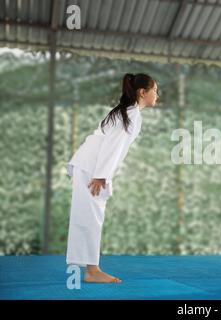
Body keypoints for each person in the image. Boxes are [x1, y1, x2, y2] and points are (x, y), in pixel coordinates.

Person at [66, 73, 158, 283]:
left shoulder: (126, 112)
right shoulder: (131, 114)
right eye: (155, 90)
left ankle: (90, 268)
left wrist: (101, 173)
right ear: (142, 92)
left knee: (87, 215)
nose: (157, 95)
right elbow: (112, 147)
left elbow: (111, 146)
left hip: (88, 164)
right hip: (92, 168)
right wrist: (100, 176)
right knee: (91, 217)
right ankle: (92, 270)